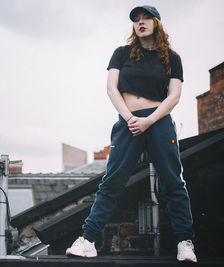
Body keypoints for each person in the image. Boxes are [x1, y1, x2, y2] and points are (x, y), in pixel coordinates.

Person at [65, 5, 197, 263]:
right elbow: (111, 88)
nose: (141, 22)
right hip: (128, 122)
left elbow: (174, 96)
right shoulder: (122, 53)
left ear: (157, 22)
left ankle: (184, 242)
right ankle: (87, 240)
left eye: (146, 18)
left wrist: (149, 120)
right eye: (136, 20)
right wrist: (130, 118)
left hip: (158, 122)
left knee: (173, 181)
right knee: (111, 182)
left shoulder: (172, 58)